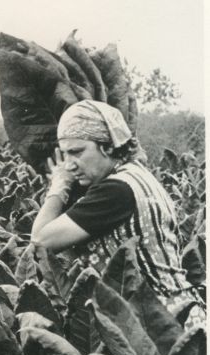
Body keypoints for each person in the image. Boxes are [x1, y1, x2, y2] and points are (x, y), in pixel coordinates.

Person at [31, 99, 205, 329]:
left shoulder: (116, 191)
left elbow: (40, 242)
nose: (69, 165)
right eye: (65, 155)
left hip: (163, 327)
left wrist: (59, 186)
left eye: (77, 152)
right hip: (178, 317)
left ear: (108, 147)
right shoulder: (137, 176)